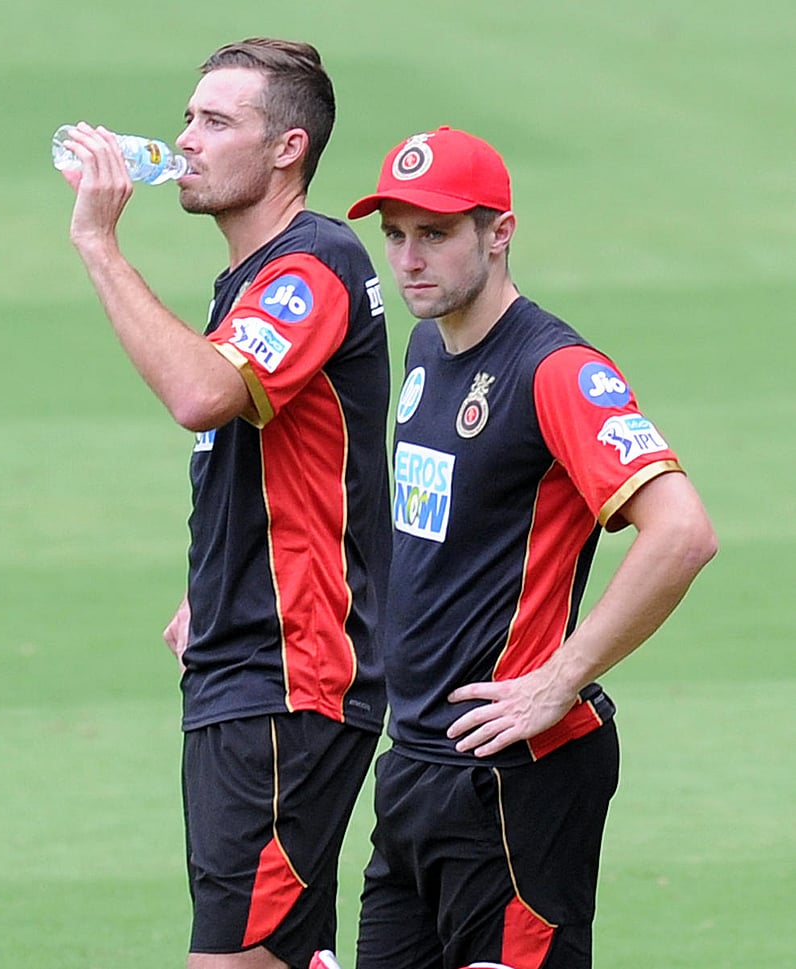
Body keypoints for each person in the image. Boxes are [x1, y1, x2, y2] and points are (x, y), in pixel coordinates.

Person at [345, 126, 718, 969]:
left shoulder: (553, 369)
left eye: (435, 233)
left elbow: (683, 532)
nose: (409, 259)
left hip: (511, 778)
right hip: (415, 765)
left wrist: (561, 677)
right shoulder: (425, 351)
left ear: (499, 231)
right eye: (395, 234)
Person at [59, 38, 392, 969]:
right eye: (188, 118)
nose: (184, 142)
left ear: (287, 147)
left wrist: (98, 244)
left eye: (215, 122)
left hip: (289, 675)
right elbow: (281, 460)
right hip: (249, 660)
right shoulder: (254, 279)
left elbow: (202, 395)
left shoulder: (310, 265)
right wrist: (214, 580)